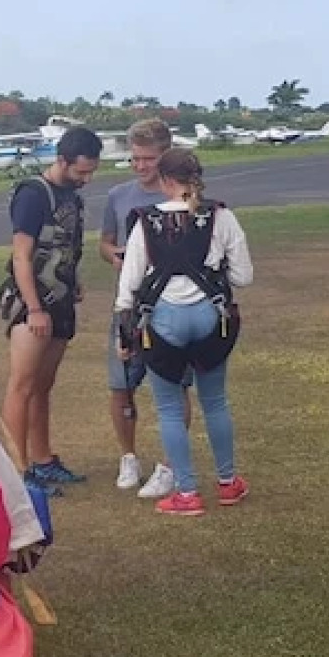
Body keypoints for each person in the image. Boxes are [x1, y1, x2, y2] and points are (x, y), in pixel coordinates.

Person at [113, 146, 252, 516]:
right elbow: (243, 276)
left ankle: (187, 493)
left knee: (170, 410)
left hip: (163, 322)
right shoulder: (220, 216)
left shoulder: (144, 221)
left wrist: (123, 336)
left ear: (164, 181)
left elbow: (128, 285)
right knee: (216, 402)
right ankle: (227, 483)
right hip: (210, 319)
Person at [0, 126, 101, 490]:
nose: (86, 179)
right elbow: (22, 255)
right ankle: (18, 470)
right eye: (80, 171)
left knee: (43, 385)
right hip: (33, 304)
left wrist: (73, 281)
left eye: (91, 172)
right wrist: (34, 308)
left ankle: (43, 460)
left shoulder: (72, 195)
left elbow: (65, 245)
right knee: (22, 385)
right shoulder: (33, 194)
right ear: (61, 160)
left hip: (61, 301)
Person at [97, 118, 190, 500]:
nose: (140, 166)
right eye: (134, 159)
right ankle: (128, 456)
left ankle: (169, 464)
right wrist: (116, 256)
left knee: (174, 386)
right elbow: (104, 241)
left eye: (148, 159)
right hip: (129, 305)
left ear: (165, 156)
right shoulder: (118, 196)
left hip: (170, 305)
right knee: (121, 385)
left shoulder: (182, 197)